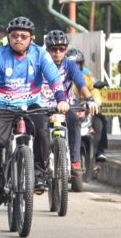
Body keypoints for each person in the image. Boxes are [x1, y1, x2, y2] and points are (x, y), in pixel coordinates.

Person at [0, 16, 70, 206]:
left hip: (31, 105)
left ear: (31, 39)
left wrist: (61, 100)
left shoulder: (40, 54)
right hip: (2, 107)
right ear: (8, 37)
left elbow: (54, 80)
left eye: (23, 36)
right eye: (14, 35)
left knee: (43, 132)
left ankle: (38, 173)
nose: (18, 39)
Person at [41, 31, 99, 175]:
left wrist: (89, 99)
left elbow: (81, 83)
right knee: (39, 130)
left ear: (66, 50)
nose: (57, 53)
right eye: (53, 49)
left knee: (74, 122)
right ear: (47, 50)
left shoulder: (70, 65)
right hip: (42, 107)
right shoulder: (39, 64)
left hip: (65, 106)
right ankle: (38, 165)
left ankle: (75, 160)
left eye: (61, 49)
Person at [67, 48, 107, 162]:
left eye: (77, 64)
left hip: (84, 109)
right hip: (66, 111)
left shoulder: (86, 76)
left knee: (100, 120)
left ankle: (99, 151)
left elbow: (92, 89)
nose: (74, 67)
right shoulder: (58, 76)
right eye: (71, 64)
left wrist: (96, 101)